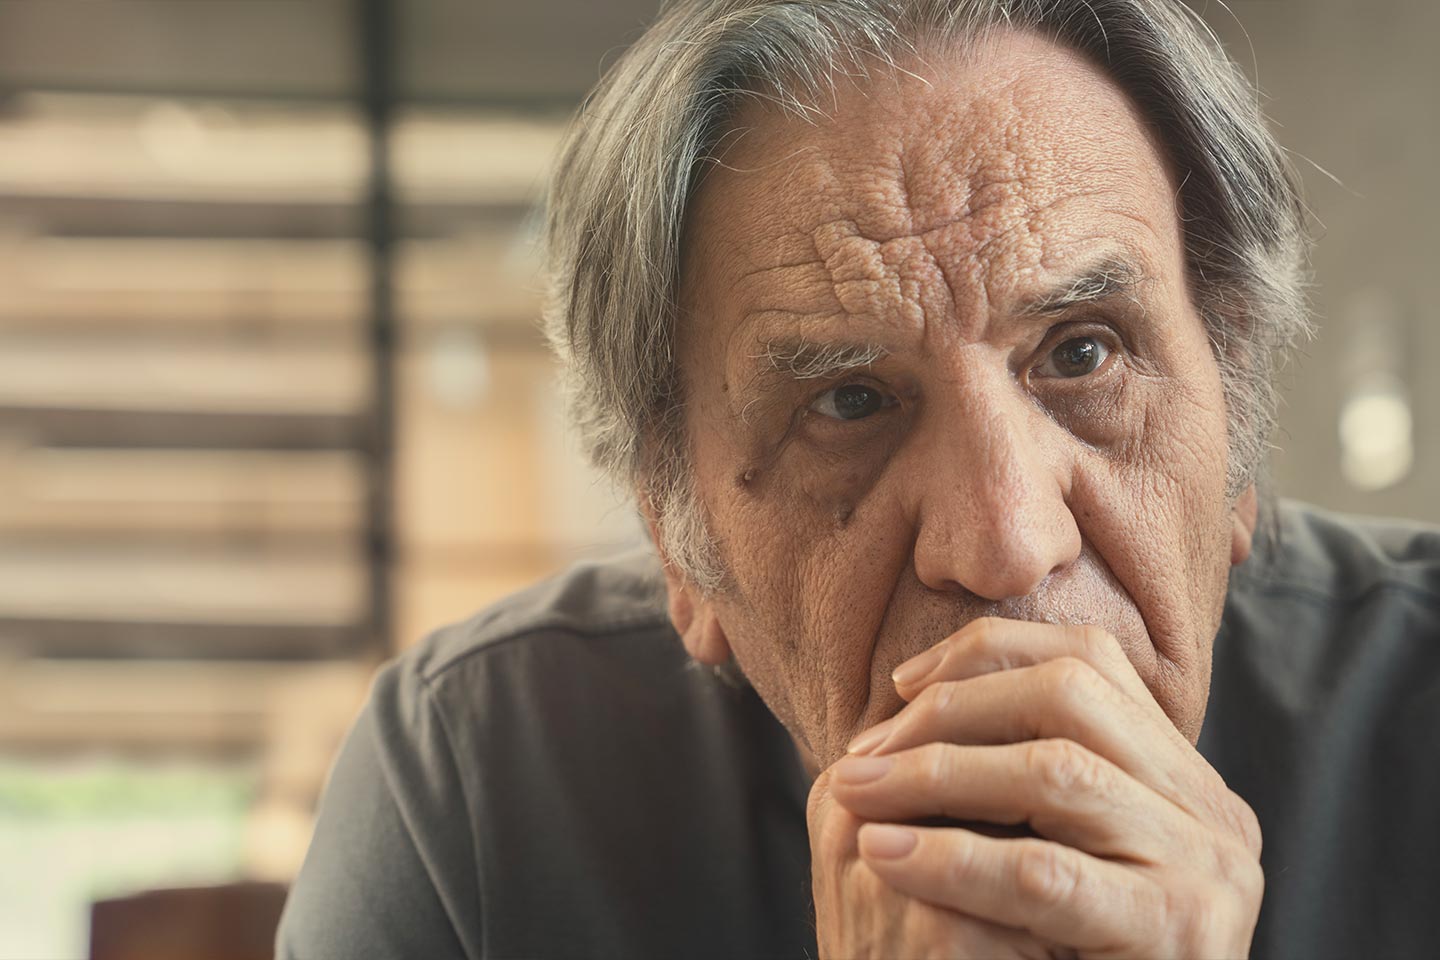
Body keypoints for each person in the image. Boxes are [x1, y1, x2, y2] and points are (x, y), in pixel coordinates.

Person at [276, 1, 1440, 957]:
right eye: (849, 402)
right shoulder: (476, 788)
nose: (1003, 543)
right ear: (683, 546)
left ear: (1236, 433)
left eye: (1082, 353)